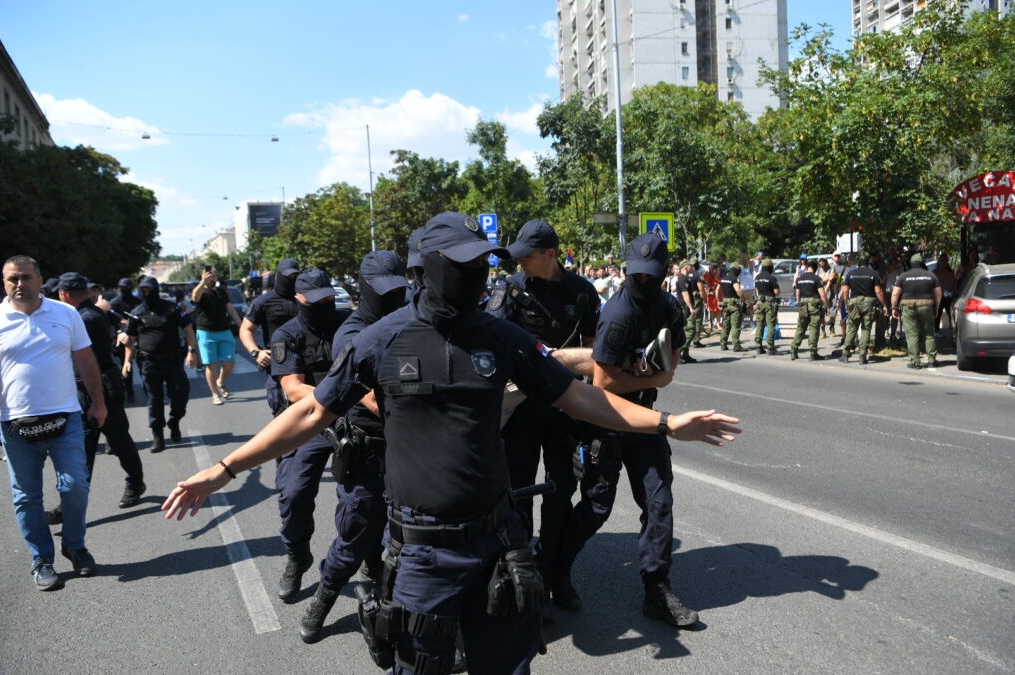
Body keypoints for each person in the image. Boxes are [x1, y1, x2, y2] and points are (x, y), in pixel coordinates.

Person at [162, 213, 740, 675]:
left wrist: (665, 424)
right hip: (421, 554)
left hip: (496, 541)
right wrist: (226, 467)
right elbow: (312, 410)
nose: (479, 274)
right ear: (431, 267)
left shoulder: (502, 336)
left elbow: (579, 397)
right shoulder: (380, 341)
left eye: (484, 264)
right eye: (464, 264)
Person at [553, 231, 709, 631]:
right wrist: (653, 379)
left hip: (644, 421)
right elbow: (603, 386)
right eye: (636, 275)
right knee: (596, 508)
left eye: (650, 275)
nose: (642, 282)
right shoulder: (619, 315)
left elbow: (670, 369)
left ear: (664, 272)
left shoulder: (671, 307)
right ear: (627, 271)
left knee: (659, 503)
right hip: (607, 421)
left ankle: (656, 590)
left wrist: (653, 377)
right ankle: (554, 571)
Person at [485, 219, 601, 614]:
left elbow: (593, 358)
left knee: (561, 491)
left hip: (564, 410)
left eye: (527, 256)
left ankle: (555, 573)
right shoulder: (510, 289)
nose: (520, 263)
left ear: (550, 254)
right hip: (520, 410)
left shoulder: (582, 294)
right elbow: (495, 344)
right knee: (517, 492)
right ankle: (523, 575)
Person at [299, 251, 408, 644]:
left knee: (412, 540)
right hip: (367, 452)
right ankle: (324, 596)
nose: (393, 297)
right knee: (356, 533)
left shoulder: (412, 315)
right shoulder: (353, 331)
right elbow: (369, 397)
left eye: (399, 290)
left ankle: (415, 629)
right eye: (384, 291)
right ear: (364, 288)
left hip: (408, 450)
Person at [0, 256, 105, 589]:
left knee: (75, 486)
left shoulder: (65, 313)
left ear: (40, 280)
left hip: (65, 417)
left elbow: (85, 359)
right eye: (12, 279)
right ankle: (41, 558)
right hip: (14, 423)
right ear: (4, 283)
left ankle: (74, 545)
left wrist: (98, 403)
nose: (19, 284)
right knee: (26, 497)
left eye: (26, 277)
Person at [268, 268, 350, 603]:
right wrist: (339, 395)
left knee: (364, 497)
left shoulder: (351, 322)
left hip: (352, 418)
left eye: (328, 297)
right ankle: (297, 554)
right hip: (310, 421)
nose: (324, 304)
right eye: (314, 300)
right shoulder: (287, 334)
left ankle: (369, 558)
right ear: (297, 300)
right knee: (294, 493)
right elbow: (292, 387)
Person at [56, 273, 146, 511]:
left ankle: (135, 484)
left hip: (99, 387)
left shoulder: (84, 318)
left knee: (117, 441)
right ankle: (71, 505)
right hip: (91, 387)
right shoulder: (88, 314)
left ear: (64, 295)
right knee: (85, 448)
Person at [124, 276, 196, 453]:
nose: (146, 294)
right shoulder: (136, 312)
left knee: (181, 393)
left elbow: (188, 329)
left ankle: (174, 421)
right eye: (143, 291)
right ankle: (158, 436)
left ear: (156, 290)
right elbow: (131, 339)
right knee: (153, 400)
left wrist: (192, 352)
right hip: (149, 363)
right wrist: (127, 361)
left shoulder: (172, 308)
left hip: (173, 360)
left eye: (150, 290)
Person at [239, 258, 301, 416]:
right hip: (278, 362)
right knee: (281, 409)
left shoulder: (304, 299)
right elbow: (245, 329)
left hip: (306, 359)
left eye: (295, 277)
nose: (291, 280)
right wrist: (256, 352)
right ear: (279, 276)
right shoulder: (263, 302)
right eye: (288, 277)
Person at [192, 269, 243, 405]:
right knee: (211, 365)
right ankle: (215, 394)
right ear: (203, 276)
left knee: (230, 362)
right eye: (209, 276)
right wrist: (202, 282)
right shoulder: (200, 290)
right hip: (206, 332)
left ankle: (220, 381)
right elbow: (194, 298)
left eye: (214, 276)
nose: (212, 278)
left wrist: (241, 325)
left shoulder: (220, 291)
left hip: (224, 330)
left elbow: (230, 308)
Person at [892, 253, 942, 369]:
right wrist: (937, 307)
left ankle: (915, 361)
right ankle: (932, 360)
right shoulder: (931, 275)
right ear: (922, 263)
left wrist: (894, 308)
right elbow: (938, 294)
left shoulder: (903, 276)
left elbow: (895, 294)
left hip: (908, 307)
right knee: (929, 334)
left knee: (912, 334)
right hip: (926, 305)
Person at [839, 257, 888, 365]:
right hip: (868, 304)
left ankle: (845, 354)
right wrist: (884, 305)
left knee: (852, 328)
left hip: (854, 303)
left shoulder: (851, 273)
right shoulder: (873, 274)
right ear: (867, 264)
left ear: (858, 264)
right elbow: (878, 291)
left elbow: (845, 290)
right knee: (866, 329)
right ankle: (862, 356)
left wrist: (847, 303)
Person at [109, 277, 142, 401]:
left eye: (127, 288)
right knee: (126, 365)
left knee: (142, 364)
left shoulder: (138, 302)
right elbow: (111, 321)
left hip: (138, 336)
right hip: (122, 338)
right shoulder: (114, 303)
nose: (125, 290)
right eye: (123, 288)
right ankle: (129, 391)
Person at [790, 261, 830, 361]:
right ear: (815, 269)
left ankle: (793, 350)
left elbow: (798, 295)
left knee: (801, 328)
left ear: (808, 267)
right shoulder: (817, 279)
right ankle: (813, 353)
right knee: (814, 329)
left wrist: (800, 304)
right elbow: (823, 294)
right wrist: (827, 306)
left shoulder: (800, 279)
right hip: (814, 306)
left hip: (803, 305)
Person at [752, 258, 780, 354]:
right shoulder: (772, 278)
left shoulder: (757, 277)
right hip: (769, 304)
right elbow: (777, 292)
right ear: (770, 267)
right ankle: (770, 347)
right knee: (770, 325)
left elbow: (756, 290)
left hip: (759, 303)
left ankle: (758, 347)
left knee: (760, 324)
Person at [676, 261, 701, 363]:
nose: (692, 267)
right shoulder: (683, 278)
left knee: (690, 329)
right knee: (690, 330)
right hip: (685, 307)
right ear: (686, 267)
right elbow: (685, 294)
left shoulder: (685, 278)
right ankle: (679, 353)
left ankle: (685, 354)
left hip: (685, 307)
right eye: (690, 266)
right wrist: (691, 307)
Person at [718, 261, 745, 351]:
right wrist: (744, 300)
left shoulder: (723, 278)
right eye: (739, 269)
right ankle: (736, 346)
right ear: (736, 269)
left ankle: (723, 344)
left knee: (726, 325)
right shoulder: (734, 279)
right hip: (734, 305)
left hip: (725, 304)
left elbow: (717, 290)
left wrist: (718, 300)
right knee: (735, 326)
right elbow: (738, 291)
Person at [933, 253, 958, 334]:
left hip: (948, 296)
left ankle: (953, 329)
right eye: (942, 260)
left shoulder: (950, 272)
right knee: (938, 314)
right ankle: (936, 330)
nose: (944, 262)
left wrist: (953, 291)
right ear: (939, 261)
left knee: (950, 314)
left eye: (946, 260)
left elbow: (954, 284)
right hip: (938, 296)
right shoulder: (935, 272)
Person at [737, 252, 756, 327]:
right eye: (743, 259)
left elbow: (753, 261)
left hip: (751, 289)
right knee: (742, 306)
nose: (745, 260)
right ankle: (742, 321)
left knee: (751, 306)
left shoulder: (750, 267)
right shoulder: (740, 268)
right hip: (742, 289)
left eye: (746, 259)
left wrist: (748, 259)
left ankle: (751, 321)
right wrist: (741, 260)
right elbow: (737, 263)